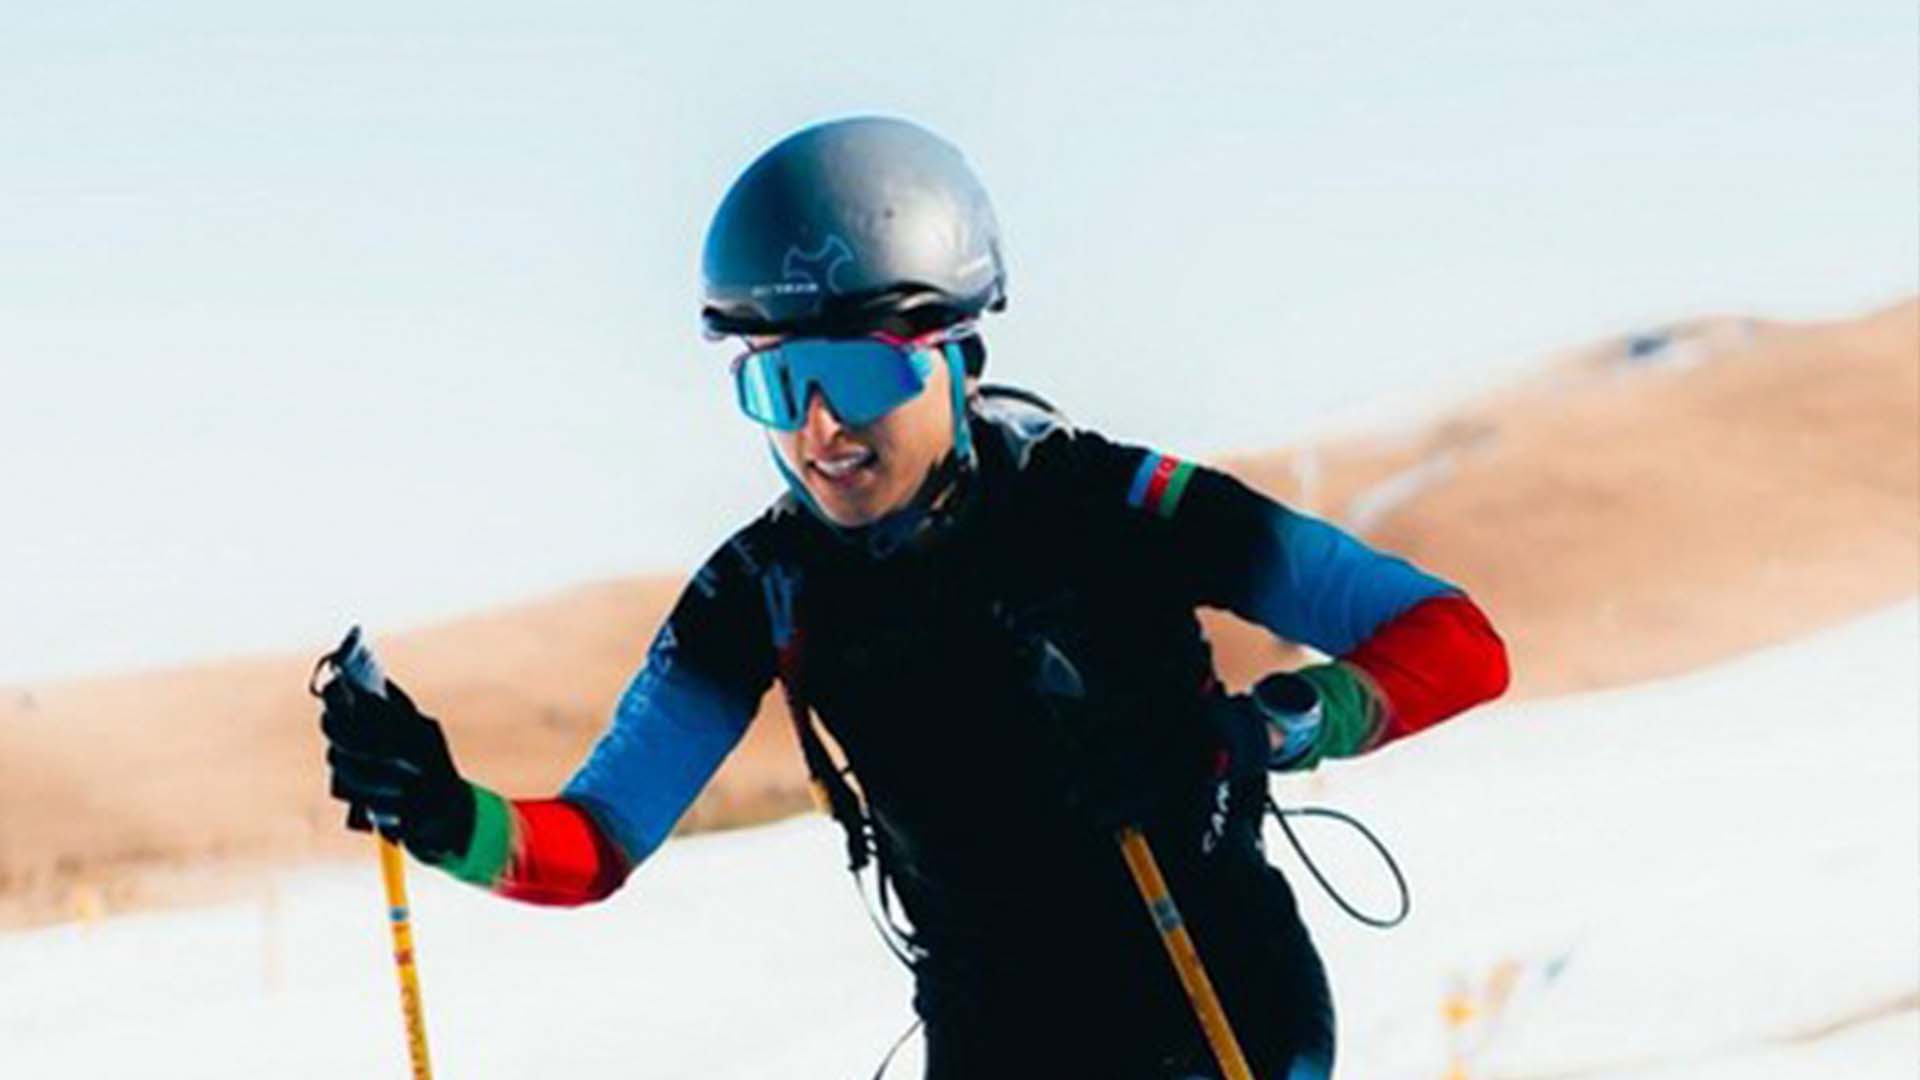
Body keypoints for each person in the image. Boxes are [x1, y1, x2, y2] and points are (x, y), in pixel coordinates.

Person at [318, 116, 1510, 1078]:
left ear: (957, 352)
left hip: (1217, 1010)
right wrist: (441, 811)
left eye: (852, 372)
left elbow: (1455, 642)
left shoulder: (1116, 505)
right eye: (776, 382)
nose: (819, 430)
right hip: (996, 1039)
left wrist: (1255, 731)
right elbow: (589, 847)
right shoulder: (762, 587)